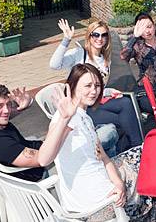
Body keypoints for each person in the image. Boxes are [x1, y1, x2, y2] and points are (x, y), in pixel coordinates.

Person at [49, 64, 149, 219]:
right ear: (72, 86)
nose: (94, 91)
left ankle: (148, 209)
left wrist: (119, 183)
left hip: (98, 190)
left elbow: (103, 156)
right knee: (147, 170)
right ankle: (147, 211)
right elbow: (44, 158)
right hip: (96, 204)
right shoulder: (67, 120)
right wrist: (64, 118)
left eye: (97, 85)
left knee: (144, 155)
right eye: (88, 85)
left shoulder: (84, 116)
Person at [49, 19, 142, 152]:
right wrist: (66, 40)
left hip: (96, 103)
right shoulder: (79, 53)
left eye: (104, 35)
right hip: (80, 109)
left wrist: (109, 91)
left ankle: (136, 148)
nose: (100, 38)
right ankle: (137, 149)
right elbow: (54, 65)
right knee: (125, 120)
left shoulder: (105, 59)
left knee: (126, 104)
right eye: (96, 35)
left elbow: (97, 88)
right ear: (89, 36)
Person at [0, 83, 48, 181]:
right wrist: (61, 122)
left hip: (26, 150)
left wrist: (22, 106)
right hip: (36, 175)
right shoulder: (0, 143)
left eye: (8, 104)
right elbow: (42, 159)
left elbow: (5, 114)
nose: (7, 110)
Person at [120, 13, 156, 114]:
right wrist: (135, 37)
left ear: (154, 26)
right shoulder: (138, 47)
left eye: (149, 26)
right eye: (142, 28)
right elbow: (123, 57)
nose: (147, 31)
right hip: (147, 90)